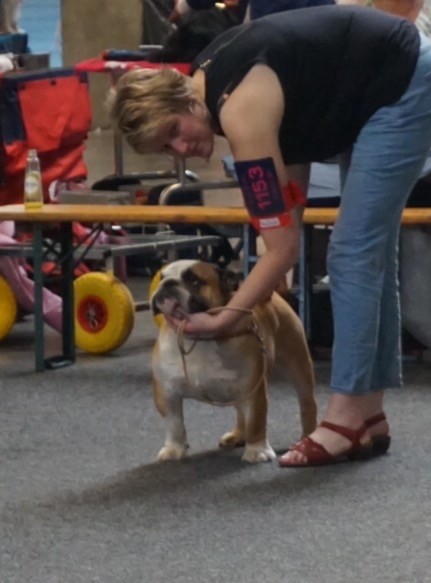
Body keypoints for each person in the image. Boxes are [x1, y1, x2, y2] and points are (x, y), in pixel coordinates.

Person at [108, 4, 431, 467]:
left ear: (185, 102)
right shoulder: (209, 84)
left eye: (174, 130)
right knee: (366, 249)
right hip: (366, 85)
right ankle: (368, 414)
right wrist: (271, 259)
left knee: (351, 253)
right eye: (166, 146)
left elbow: (283, 249)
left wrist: (226, 318)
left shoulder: (239, 112)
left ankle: (345, 418)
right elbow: (286, 194)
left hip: (401, 80)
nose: (181, 148)